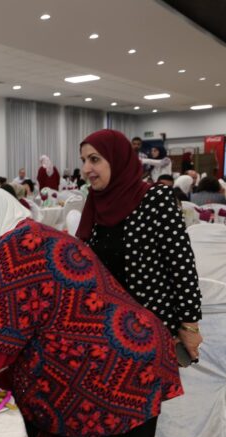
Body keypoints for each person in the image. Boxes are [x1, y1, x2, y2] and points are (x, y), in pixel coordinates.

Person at [0, 188, 183, 437]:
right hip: (132, 353)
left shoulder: (16, 246)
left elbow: (4, 335)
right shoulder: (35, 234)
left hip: (110, 372)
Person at [78, 130, 202, 350]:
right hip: (104, 325)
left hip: (149, 327)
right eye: (84, 160)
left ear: (117, 160)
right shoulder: (96, 203)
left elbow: (181, 265)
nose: (86, 169)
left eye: (94, 159)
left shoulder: (155, 198)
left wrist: (189, 325)